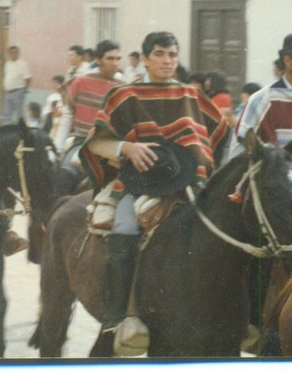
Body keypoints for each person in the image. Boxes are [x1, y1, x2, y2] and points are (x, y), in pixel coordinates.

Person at [83, 31, 229, 355]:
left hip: (191, 181)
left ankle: (238, 313)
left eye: (173, 54)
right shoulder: (124, 94)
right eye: (160, 54)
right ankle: (117, 317)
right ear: (145, 58)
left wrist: (209, 167)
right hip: (138, 183)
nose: (167, 61)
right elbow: (95, 142)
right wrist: (127, 147)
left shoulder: (192, 94)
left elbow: (220, 132)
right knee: (125, 225)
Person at [229, 35, 292, 347]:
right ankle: (253, 321)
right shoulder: (262, 100)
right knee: (265, 242)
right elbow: (243, 147)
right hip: (274, 188)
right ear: (288, 61)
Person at [57, 40, 124, 193]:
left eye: (118, 59)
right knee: (65, 174)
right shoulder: (81, 81)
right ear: (98, 60)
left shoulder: (124, 86)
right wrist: (59, 146)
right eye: (110, 58)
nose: (115, 63)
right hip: (82, 142)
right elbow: (67, 115)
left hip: (112, 145)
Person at [1, 45, 31, 125]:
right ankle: (6, 131)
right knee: (7, 113)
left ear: (18, 53)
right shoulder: (7, 64)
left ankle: (21, 131)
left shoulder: (23, 64)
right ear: (9, 54)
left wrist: (24, 91)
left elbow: (28, 79)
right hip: (8, 92)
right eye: (11, 53)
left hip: (18, 91)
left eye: (15, 52)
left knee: (19, 113)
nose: (13, 54)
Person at [41, 75, 64, 145]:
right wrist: (52, 112)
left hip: (62, 122)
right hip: (52, 122)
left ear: (62, 84)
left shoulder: (66, 97)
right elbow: (45, 112)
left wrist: (60, 112)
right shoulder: (51, 97)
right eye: (53, 83)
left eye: (56, 83)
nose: (54, 85)